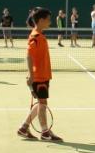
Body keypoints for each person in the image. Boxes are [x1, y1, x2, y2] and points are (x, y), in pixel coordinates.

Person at [17, 7, 63, 142]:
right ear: (41, 20)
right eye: (48, 19)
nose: (50, 22)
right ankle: (45, 132)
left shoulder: (39, 35)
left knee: (41, 103)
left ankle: (24, 128)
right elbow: (29, 56)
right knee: (42, 104)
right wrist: (31, 75)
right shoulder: (36, 37)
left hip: (43, 75)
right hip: (39, 76)